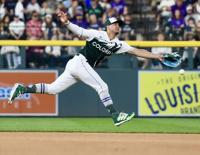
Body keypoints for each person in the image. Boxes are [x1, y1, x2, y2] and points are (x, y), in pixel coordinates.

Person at [8, 10, 163, 126]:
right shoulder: (97, 34)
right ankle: (115, 115)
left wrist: (157, 56)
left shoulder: (119, 44)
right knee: (102, 86)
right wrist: (67, 22)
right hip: (79, 62)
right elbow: (79, 31)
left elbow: (137, 51)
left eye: (119, 25)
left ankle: (22, 89)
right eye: (115, 24)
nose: (118, 26)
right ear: (108, 26)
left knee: (52, 90)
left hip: (78, 66)